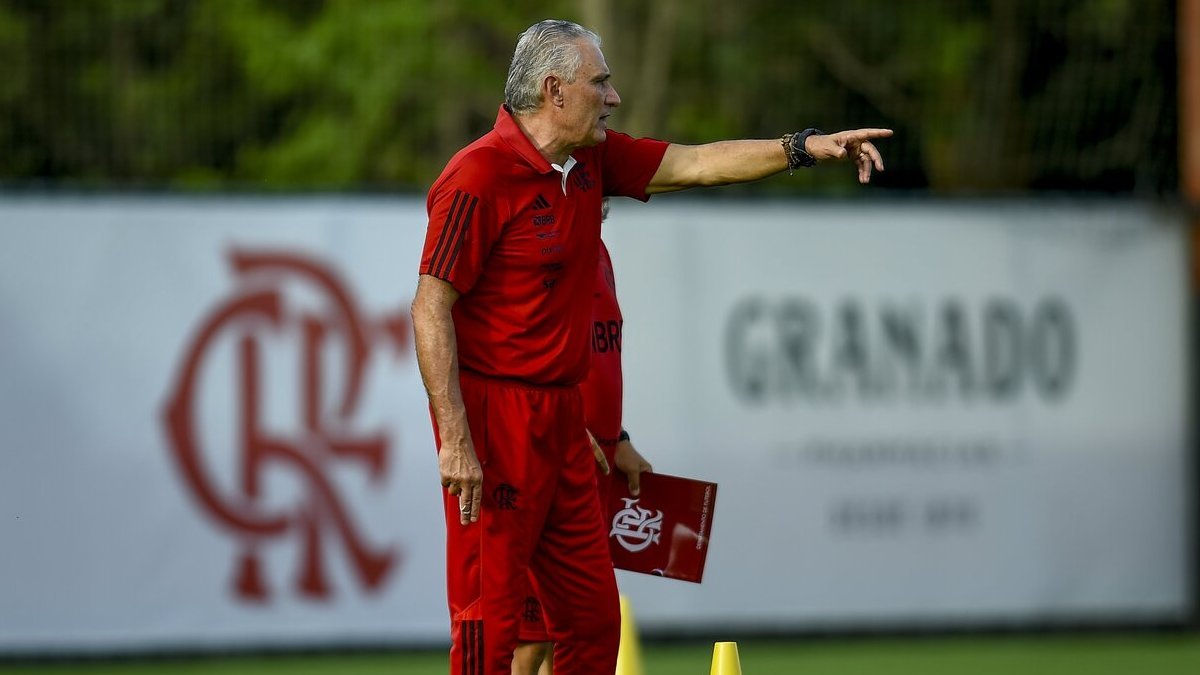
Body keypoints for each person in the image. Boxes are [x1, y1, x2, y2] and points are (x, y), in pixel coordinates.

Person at [411, 18, 890, 675]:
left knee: (592, 621)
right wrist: (456, 438)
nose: (612, 97)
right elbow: (430, 307)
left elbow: (696, 163)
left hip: (564, 425)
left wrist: (805, 146)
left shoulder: (590, 163)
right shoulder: (475, 177)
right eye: (599, 83)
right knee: (488, 626)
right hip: (497, 426)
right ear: (554, 91)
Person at [510, 199, 652, 675]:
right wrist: (562, 427)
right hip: (548, 456)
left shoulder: (598, 252)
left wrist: (621, 435)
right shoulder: (539, 255)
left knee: (570, 626)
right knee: (529, 639)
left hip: (597, 460)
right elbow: (511, 354)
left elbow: (600, 353)